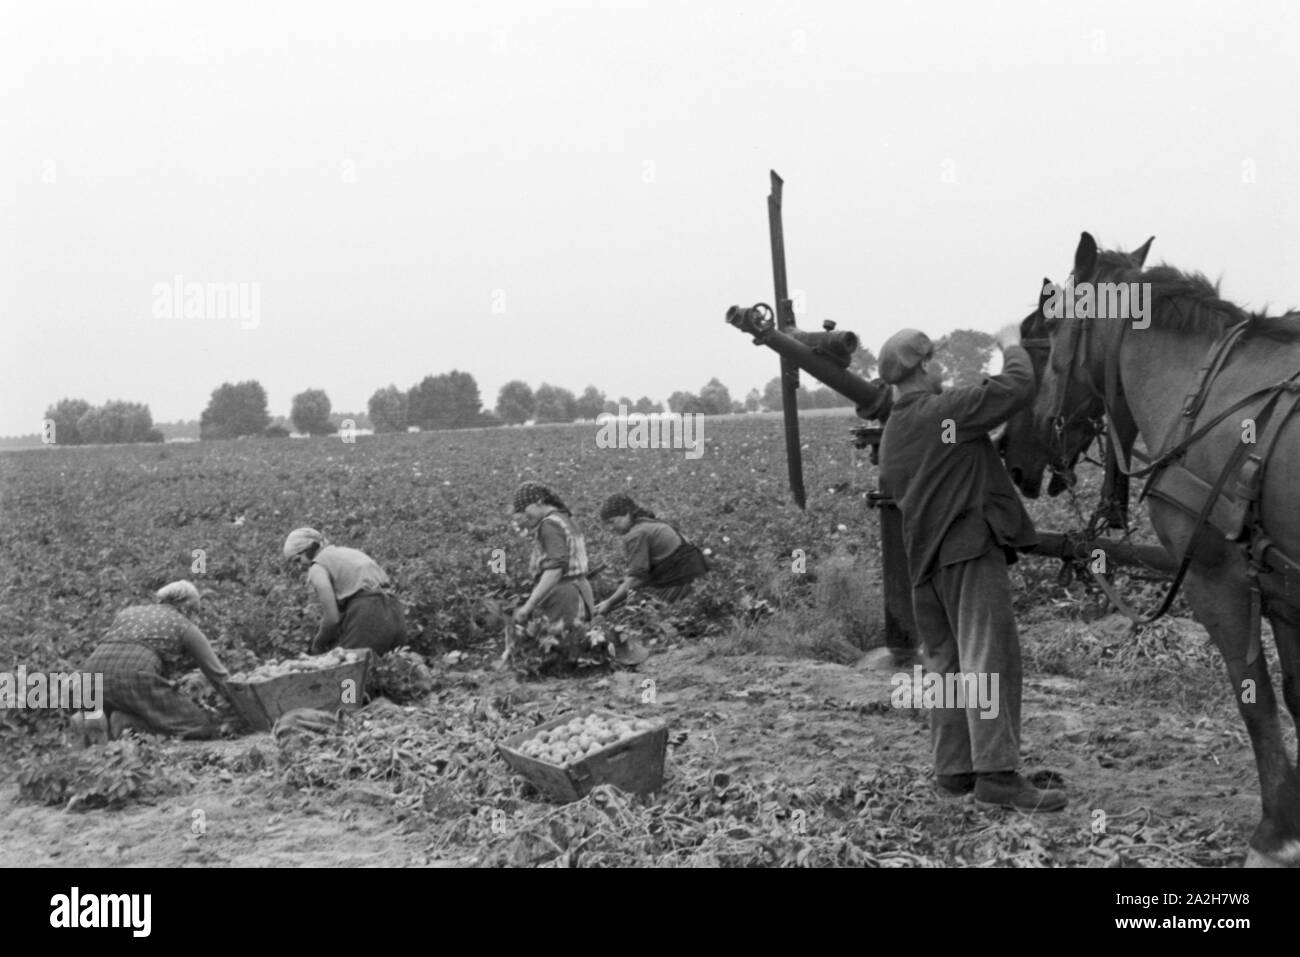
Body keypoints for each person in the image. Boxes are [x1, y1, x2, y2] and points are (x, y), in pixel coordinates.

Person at [877, 324, 1066, 812]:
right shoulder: (944, 411)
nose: (942, 366)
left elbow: (941, 462)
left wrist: (982, 446)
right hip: (967, 553)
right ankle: (998, 776)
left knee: (949, 665)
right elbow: (1016, 388)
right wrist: (1011, 346)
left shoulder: (896, 431)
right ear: (923, 367)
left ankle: (955, 769)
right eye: (935, 359)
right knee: (989, 658)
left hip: (926, 564)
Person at [80, 580, 230, 739]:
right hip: (135, 674)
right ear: (188, 607)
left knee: (124, 698)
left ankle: (91, 717)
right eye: (196, 612)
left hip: (90, 674)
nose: (196, 618)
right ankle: (127, 723)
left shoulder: (128, 613)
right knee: (198, 725)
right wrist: (238, 704)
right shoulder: (184, 625)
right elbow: (217, 674)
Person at [282, 527, 406, 657]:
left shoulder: (317, 567)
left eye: (298, 560)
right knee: (391, 663)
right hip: (395, 611)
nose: (299, 567)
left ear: (309, 549)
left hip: (368, 613)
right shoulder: (348, 552)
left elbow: (332, 618)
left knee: (348, 666)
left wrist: (318, 644)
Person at [593, 493, 709, 614]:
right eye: (607, 524)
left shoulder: (637, 534)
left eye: (612, 522)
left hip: (682, 582)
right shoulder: (648, 523)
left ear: (626, 514)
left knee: (640, 614)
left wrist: (610, 602)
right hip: (699, 580)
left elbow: (637, 578)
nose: (610, 528)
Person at [510, 482, 596, 636]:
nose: (523, 517)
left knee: (559, 645)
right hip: (580, 592)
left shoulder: (549, 525)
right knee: (578, 642)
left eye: (524, 510)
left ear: (539, 501)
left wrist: (528, 607)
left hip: (563, 598)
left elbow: (555, 570)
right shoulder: (565, 519)